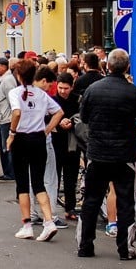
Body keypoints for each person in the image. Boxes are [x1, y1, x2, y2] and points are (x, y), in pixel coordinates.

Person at [77, 49, 136, 260]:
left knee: (91, 200)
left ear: (107, 66)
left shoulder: (93, 90)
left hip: (98, 153)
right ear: (127, 67)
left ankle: (85, 246)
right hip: (124, 155)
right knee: (126, 202)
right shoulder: (134, 92)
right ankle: (125, 249)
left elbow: (84, 116)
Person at [6, 59, 63, 242]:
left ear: (19, 75)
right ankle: (48, 222)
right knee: (39, 182)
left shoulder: (15, 92)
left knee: (22, 184)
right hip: (38, 138)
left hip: (21, 138)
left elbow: (16, 113)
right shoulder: (41, 94)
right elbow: (59, 112)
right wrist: (46, 130)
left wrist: (12, 133)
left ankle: (27, 225)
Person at [52, 73, 81, 221]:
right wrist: (58, 122)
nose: (63, 91)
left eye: (66, 88)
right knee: (54, 177)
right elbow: (46, 118)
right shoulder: (52, 100)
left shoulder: (78, 100)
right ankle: (52, 209)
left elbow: (83, 118)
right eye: (61, 88)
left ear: (72, 87)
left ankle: (70, 207)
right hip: (56, 143)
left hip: (72, 144)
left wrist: (72, 123)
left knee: (71, 177)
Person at [0, 57, 17, 182]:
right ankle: (7, 171)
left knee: (6, 146)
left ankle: (10, 172)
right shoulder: (2, 79)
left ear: (4, 66)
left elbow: (12, 99)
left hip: (6, 118)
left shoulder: (7, 80)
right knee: (2, 146)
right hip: (2, 117)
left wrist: (12, 116)